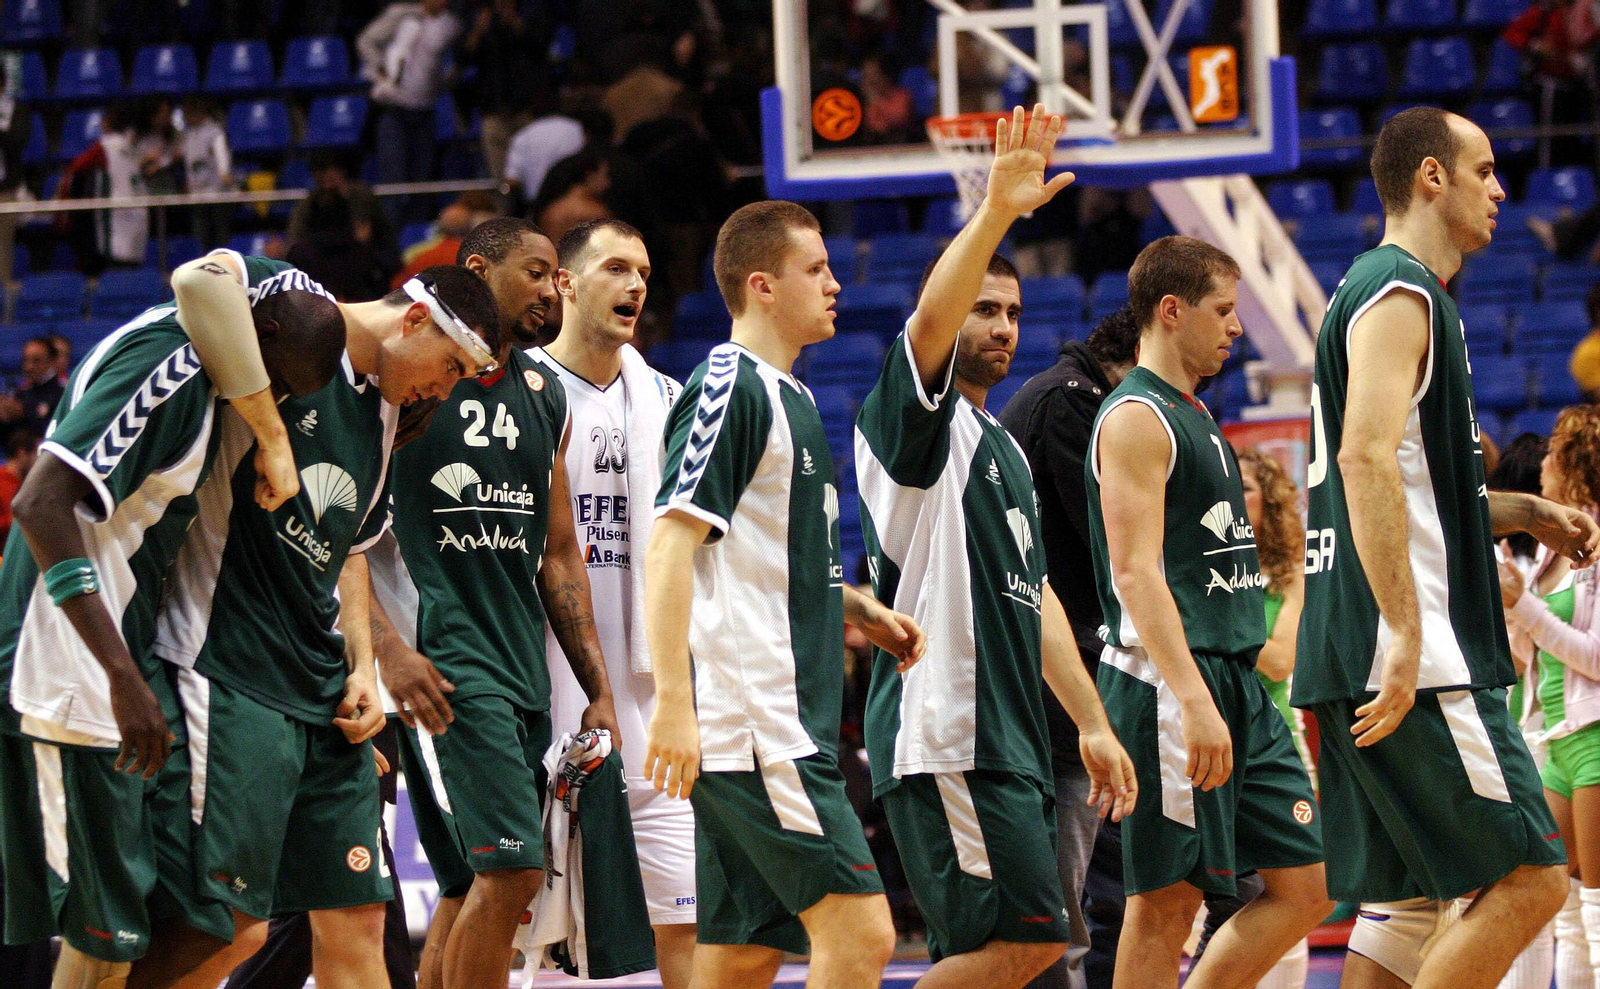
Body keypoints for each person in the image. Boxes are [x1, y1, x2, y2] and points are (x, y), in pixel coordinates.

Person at [1295, 107, 1600, 989]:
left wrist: (1522, 511)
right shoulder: (1401, 293)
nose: (1501, 189)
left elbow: (1415, 480)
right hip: (1413, 648)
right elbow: (1360, 456)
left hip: (1353, 644)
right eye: (1485, 169)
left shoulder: (1366, 289)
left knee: (1410, 909)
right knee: (1534, 880)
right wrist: (1403, 633)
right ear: (1433, 176)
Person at [141, 262, 502, 988]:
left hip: (325, 690)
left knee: (361, 920)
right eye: (452, 365)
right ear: (414, 321)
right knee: (226, 929)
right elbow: (200, 279)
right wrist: (273, 438)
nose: (448, 386)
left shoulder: (390, 413)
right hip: (233, 665)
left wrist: (364, 665)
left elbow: (353, 551)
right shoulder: (299, 316)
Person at [0, 258, 347, 989]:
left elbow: (231, 279)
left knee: (129, 933)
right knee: (100, 936)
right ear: (262, 334)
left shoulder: (216, 359)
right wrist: (121, 676)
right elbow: (39, 504)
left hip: (116, 657)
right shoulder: (170, 367)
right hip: (68, 666)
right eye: (279, 384)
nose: (272, 404)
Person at [853, 105, 1135, 989]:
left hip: (1011, 739)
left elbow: (1038, 592)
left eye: (1012, 312)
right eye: (983, 308)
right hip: (947, 732)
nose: (1003, 326)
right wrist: (995, 214)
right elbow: (930, 327)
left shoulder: (1004, 446)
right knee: (1023, 947)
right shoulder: (910, 427)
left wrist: (1091, 720)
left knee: (1027, 957)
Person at [644, 199, 927, 989]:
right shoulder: (730, 386)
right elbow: (670, 546)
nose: (836, 284)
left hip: (782, 715)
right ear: (762, 285)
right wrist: (673, 701)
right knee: (863, 931)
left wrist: (857, 608)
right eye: (817, 269)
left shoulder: (794, 396)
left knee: (739, 958)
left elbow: (763, 560)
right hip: (753, 722)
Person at [371, 219, 622, 989]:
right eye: (538, 272)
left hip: (520, 668)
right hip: (443, 664)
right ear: (478, 270)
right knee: (511, 874)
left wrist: (598, 688)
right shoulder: (407, 378)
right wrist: (384, 651)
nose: (554, 289)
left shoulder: (547, 395)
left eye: (556, 277)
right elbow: (341, 529)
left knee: (468, 886)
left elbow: (558, 551)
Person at [1086, 235, 1331, 989]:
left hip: (1238, 683)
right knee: (1166, 901)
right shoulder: (1134, 417)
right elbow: (1134, 571)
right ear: (1171, 309)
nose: (1234, 326)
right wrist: (1191, 695)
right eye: (1222, 310)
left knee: (1309, 884)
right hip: (1170, 686)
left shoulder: (1196, 412)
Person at [534, 218, 697, 989]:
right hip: (548, 696)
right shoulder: (517, 395)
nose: (636, 284)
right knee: (551, 944)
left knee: (687, 923)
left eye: (644, 269)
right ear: (564, 281)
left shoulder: (669, 399)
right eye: (615, 267)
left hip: (653, 703)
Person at [999, 305, 1140, 989]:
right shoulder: (1073, 403)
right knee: (1063, 911)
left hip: (1066, 673)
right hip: (1058, 679)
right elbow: (1116, 548)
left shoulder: (1060, 395)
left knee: (1084, 899)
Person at [1189, 447, 1315, 989]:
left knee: (1294, 898)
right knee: (1206, 905)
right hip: (1204, 741)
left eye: (1245, 487)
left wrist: (1214, 622)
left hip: (1276, 740)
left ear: (1269, 501)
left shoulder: (1292, 572)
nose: (1235, 498)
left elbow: (1282, 658)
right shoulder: (1196, 561)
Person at [1500, 406, 1600, 989]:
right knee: (1558, 905)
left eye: (1557, 452)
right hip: (1553, 737)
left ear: (1577, 464)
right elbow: (1528, 652)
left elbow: (1593, 656)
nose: (1542, 464)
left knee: (1594, 909)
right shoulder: (1545, 550)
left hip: (1592, 736)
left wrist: (1525, 609)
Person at [358, 0, 462, 224]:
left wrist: (444, 83)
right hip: (394, 109)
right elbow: (367, 41)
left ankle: (417, 236)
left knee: (422, 181)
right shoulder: (401, 15)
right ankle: (392, 241)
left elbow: (461, 58)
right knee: (393, 180)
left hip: (424, 111)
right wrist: (380, 70)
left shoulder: (451, 25)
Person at [180, 96, 233, 252]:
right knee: (200, 236)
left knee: (220, 236)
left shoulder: (214, 132)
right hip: (197, 194)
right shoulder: (188, 134)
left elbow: (221, 152)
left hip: (216, 193)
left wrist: (224, 172)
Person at [0, 337, 63, 449]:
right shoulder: (20, 394)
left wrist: (23, 414)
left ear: (52, 361)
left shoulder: (62, 393)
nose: (29, 367)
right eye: (26, 360)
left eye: (36, 361)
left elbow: (58, 432)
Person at [0, 429, 38, 545]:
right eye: (34, 456)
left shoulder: (26, 484)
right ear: (22, 453)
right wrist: (16, 522)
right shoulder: (2, 481)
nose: (36, 462)